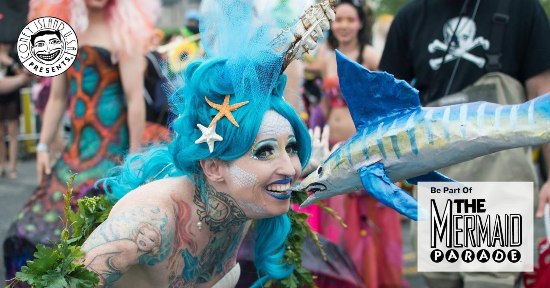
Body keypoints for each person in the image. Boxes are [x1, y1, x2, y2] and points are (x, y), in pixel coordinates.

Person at [78, 0, 338, 286]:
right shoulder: (147, 226)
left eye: (291, 148)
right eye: (265, 151)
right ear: (213, 166)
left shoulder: (248, 194)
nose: (290, 167)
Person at [379, 0, 550, 287]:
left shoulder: (522, 8)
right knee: (440, 281)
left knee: (491, 282)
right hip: (438, 182)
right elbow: (387, 109)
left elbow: (544, 100)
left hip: (499, 183)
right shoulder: (410, 17)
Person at [3, 0, 159, 280]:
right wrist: (42, 145)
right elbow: (59, 97)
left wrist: (134, 160)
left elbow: (135, 100)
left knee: (92, 238)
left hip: (110, 155)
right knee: (29, 231)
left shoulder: (124, 33)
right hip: (73, 155)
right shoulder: (65, 33)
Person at [307, 1, 404, 287]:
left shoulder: (371, 56)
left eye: (350, 19)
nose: (344, 25)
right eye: (338, 20)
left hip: (362, 148)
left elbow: (388, 103)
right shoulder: (327, 57)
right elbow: (325, 104)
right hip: (334, 147)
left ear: (361, 23)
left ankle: (367, 280)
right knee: (336, 219)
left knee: (365, 221)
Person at [0, 43, 30, 179]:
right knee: (0, 134)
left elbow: (24, 75)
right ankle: (2, 166)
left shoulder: (14, 54)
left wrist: (10, 63)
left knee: (13, 132)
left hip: (12, 96)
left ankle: (12, 167)